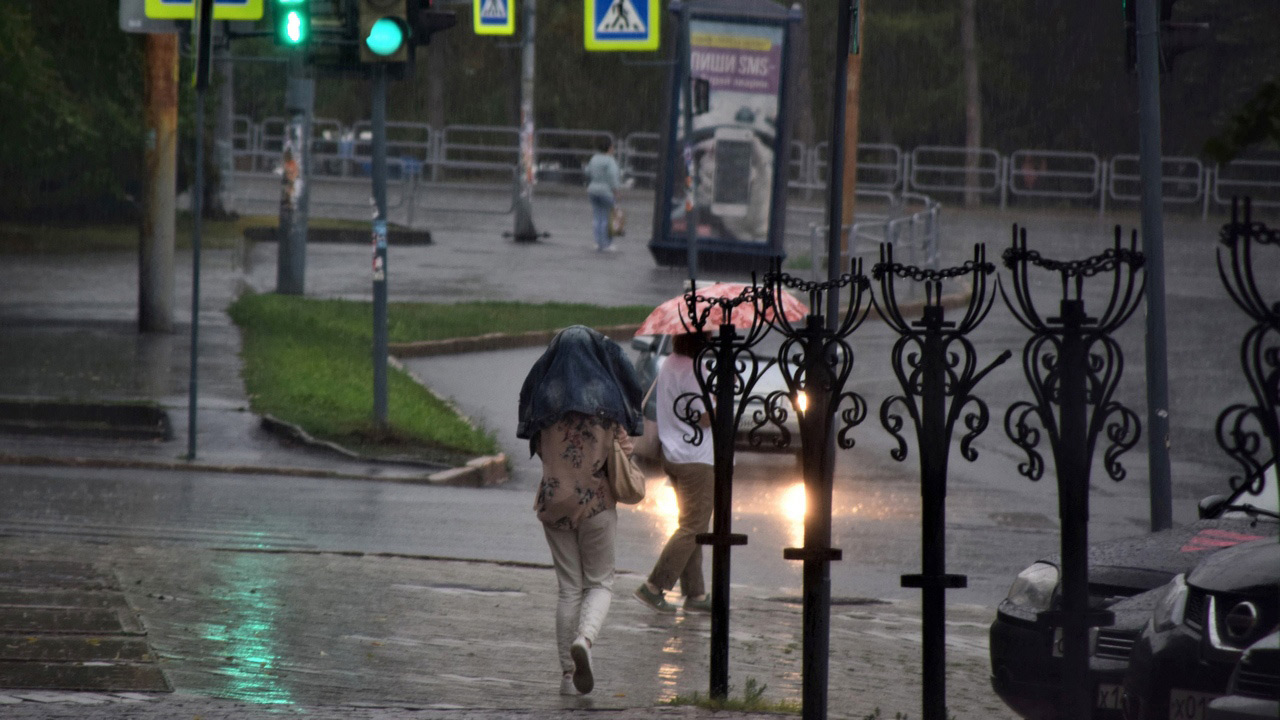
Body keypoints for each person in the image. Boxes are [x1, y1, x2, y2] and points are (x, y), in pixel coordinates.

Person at [516, 325, 645, 696]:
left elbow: (540, 449)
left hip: (555, 501)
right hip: (597, 503)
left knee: (568, 589)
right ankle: (585, 641)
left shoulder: (543, 404)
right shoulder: (608, 406)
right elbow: (624, 452)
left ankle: (567, 677)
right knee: (601, 583)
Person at [634, 331, 714, 615]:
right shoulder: (696, 369)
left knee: (692, 525)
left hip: (673, 452)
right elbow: (703, 417)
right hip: (697, 458)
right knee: (693, 526)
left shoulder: (669, 363)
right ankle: (654, 586)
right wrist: (719, 401)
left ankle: (696, 593)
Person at [583, 137, 622, 253]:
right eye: (613, 147)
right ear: (610, 148)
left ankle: (598, 242)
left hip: (593, 190)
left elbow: (587, 172)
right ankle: (606, 244)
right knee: (607, 218)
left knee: (597, 218)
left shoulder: (594, 158)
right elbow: (613, 176)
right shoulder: (610, 160)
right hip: (606, 192)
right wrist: (616, 190)